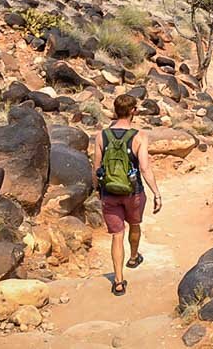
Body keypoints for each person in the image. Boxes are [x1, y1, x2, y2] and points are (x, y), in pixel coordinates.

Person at [92, 94, 162, 296]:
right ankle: (133, 257)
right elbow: (145, 168)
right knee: (135, 224)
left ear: (115, 110)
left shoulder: (101, 136)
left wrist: (98, 190)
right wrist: (156, 193)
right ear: (133, 111)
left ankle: (119, 281)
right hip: (134, 192)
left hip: (109, 192)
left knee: (116, 235)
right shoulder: (139, 136)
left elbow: (96, 167)